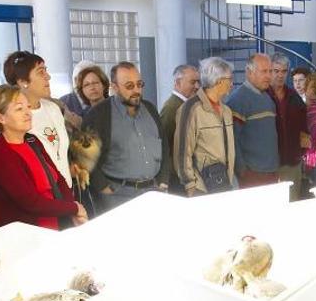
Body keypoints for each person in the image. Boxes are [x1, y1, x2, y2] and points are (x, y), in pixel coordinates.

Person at [0, 51, 73, 231]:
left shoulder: (51, 111)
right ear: (23, 81)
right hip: (29, 218)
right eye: (41, 72)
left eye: (46, 70)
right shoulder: (3, 140)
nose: (48, 76)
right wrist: (13, 177)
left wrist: (69, 204)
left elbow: (57, 160)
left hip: (59, 205)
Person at [0, 85, 85, 230]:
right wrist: (74, 208)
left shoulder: (32, 140)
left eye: (28, 107)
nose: (28, 113)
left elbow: (59, 179)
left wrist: (74, 210)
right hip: (27, 232)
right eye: (19, 109)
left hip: (57, 223)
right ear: (1, 118)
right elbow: (31, 203)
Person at [82, 61, 168, 213]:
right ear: (114, 87)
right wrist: (104, 188)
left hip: (154, 192)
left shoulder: (150, 109)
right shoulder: (98, 115)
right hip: (118, 198)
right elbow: (85, 158)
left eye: (139, 84)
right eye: (129, 86)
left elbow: (164, 147)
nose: (136, 90)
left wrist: (163, 181)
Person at [175, 57, 236, 197]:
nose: (232, 84)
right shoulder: (191, 109)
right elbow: (182, 151)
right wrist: (190, 186)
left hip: (224, 183)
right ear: (218, 81)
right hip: (201, 188)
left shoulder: (226, 111)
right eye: (229, 79)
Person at [226, 53, 280, 188]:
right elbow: (232, 140)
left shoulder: (267, 97)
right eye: (264, 71)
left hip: (271, 172)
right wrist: (243, 171)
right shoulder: (238, 100)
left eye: (270, 71)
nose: (269, 76)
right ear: (249, 72)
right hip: (252, 176)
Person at [267, 53, 308, 200]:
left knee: (292, 203)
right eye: (276, 71)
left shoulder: (294, 96)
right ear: (269, 71)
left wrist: (300, 151)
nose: (280, 75)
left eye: (283, 71)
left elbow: (305, 128)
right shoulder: (262, 95)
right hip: (268, 163)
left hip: (291, 161)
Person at [160, 64, 200, 194]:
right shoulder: (172, 108)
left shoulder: (186, 105)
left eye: (198, 82)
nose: (197, 86)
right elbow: (165, 143)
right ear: (178, 82)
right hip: (177, 177)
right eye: (192, 82)